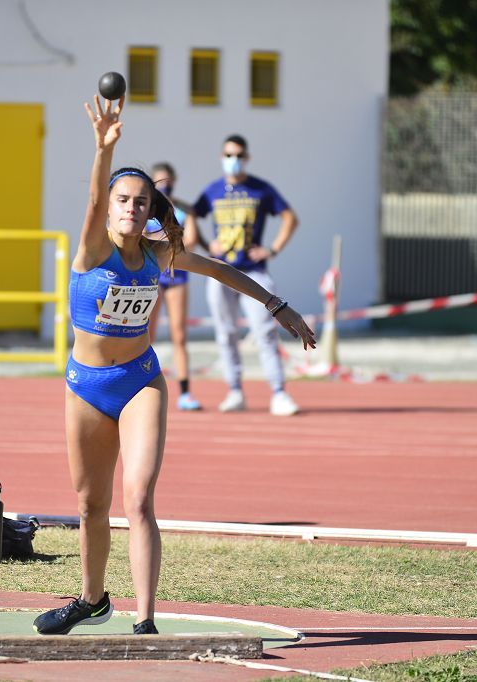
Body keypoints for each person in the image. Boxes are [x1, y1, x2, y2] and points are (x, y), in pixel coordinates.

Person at [33, 95, 314, 636]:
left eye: (141, 202)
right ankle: (92, 600)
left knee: (137, 497)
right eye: (123, 200)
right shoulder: (92, 251)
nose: (131, 209)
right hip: (86, 386)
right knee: (91, 504)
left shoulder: (160, 255)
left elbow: (222, 271)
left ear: (150, 209)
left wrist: (278, 308)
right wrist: (103, 148)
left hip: (140, 381)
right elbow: (93, 200)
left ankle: (145, 620)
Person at [189, 134, 302, 416]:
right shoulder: (213, 190)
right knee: (226, 333)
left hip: (254, 273)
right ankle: (235, 390)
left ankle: (278, 392)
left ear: (247, 157)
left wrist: (272, 250)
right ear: (221, 157)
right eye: (228, 155)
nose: (233, 160)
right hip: (220, 273)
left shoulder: (260, 189)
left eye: (238, 155)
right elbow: (192, 213)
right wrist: (205, 246)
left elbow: (290, 218)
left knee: (265, 331)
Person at [145, 162, 202, 411]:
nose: (165, 185)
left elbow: (191, 241)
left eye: (168, 180)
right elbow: (139, 239)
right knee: (147, 334)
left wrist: (162, 240)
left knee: (179, 336)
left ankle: (185, 393)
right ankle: (142, 386)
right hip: (153, 277)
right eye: (160, 181)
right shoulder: (146, 208)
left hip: (178, 275)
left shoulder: (183, 209)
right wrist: (170, 239)